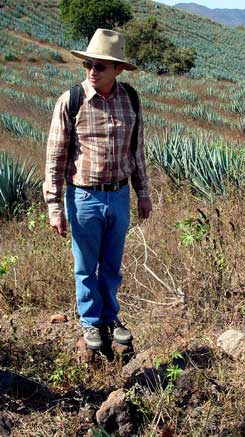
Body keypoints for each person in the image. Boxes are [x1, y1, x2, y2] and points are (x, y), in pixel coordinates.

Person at [43, 28, 152, 350]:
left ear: (118, 69)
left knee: (112, 265)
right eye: (89, 64)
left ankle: (110, 317)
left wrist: (143, 192)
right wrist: (54, 206)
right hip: (83, 196)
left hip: (119, 195)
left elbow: (137, 150)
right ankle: (91, 322)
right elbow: (55, 156)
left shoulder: (130, 99)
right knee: (85, 265)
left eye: (101, 66)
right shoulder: (72, 100)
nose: (93, 71)